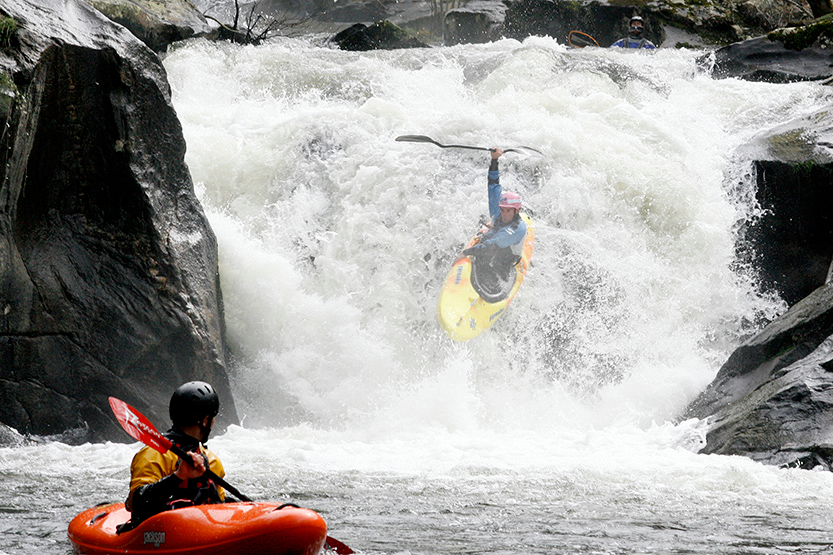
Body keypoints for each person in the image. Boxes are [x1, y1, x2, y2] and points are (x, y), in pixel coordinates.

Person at [123, 381, 226, 527]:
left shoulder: (209, 460)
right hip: (157, 535)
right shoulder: (155, 454)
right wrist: (178, 477)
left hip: (204, 531)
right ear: (206, 421)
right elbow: (139, 503)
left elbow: (220, 508)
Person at [462, 148, 527, 301]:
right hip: (493, 243)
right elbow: (493, 183)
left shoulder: (518, 228)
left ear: (516, 212)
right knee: (485, 249)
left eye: (508, 212)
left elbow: (492, 245)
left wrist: (464, 253)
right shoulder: (498, 212)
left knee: (492, 258)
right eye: (502, 210)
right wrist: (494, 160)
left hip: (505, 258)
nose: (503, 214)